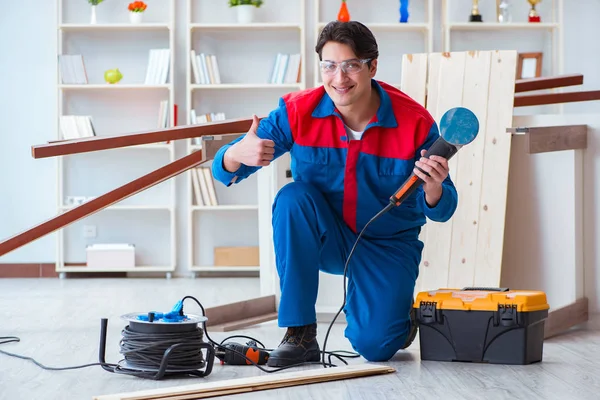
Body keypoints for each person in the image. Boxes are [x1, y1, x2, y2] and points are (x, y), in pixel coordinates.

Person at [211, 20, 457, 367]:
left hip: (387, 245)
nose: (339, 78)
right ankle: (300, 334)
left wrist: (433, 188)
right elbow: (222, 170)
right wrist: (236, 154)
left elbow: (444, 208)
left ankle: (398, 320)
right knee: (292, 198)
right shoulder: (298, 112)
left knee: (375, 347)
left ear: (372, 66)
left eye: (351, 65)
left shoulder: (414, 122)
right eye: (329, 66)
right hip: (329, 237)